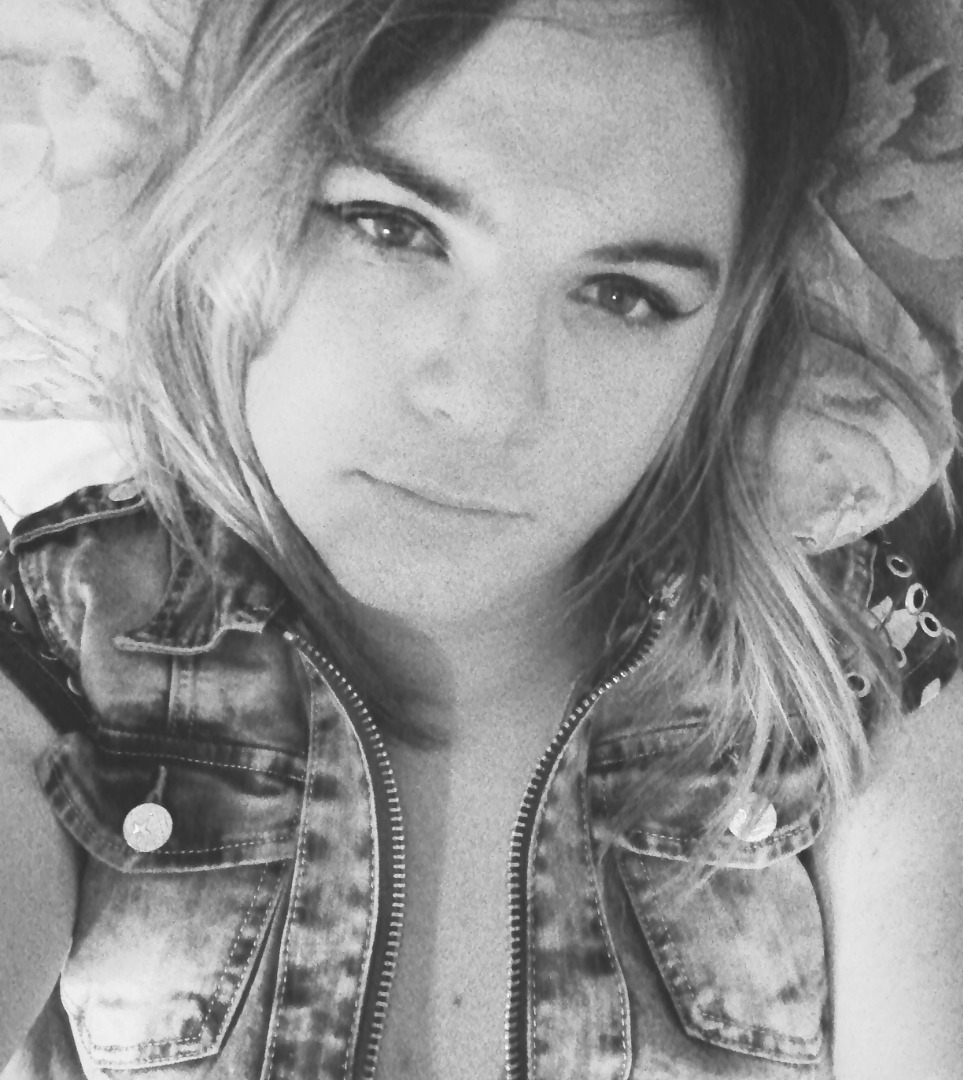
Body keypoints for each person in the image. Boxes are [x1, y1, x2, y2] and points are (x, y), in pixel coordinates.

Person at [0, 0, 960, 1077]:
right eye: (390, 227)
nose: (489, 402)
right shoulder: (59, 634)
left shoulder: (851, 672)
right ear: (232, 204)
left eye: (624, 295)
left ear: (722, 343)